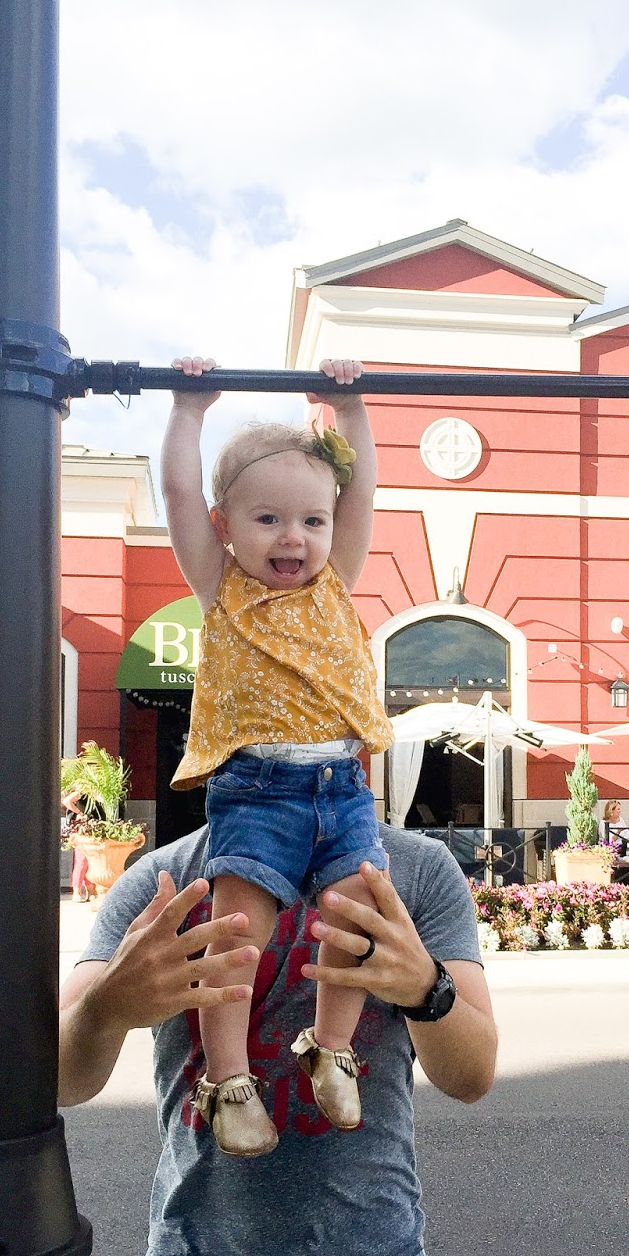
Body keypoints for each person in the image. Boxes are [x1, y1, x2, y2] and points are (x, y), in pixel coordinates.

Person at [58, 820, 496, 1256]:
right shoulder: (167, 880)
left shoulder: (413, 872)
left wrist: (426, 987)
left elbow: (471, 1075)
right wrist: (106, 1008)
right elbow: (60, 1077)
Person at [161, 354, 394, 1156]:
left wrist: (349, 411)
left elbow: (362, 491)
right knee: (236, 937)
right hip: (257, 790)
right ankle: (229, 1082)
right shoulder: (222, 587)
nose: (294, 537)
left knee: (357, 923)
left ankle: (331, 1050)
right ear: (226, 525)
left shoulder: (337, 581)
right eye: (267, 519)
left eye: (312, 521)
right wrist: (189, 410)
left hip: (342, 786)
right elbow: (178, 494)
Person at [62, 787, 90, 903]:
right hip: (81, 829)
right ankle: (76, 892)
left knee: (90, 862)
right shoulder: (82, 791)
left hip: (91, 827)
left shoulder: (94, 793)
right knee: (81, 861)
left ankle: (90, 890)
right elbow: (66, 801)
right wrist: (80, 813)